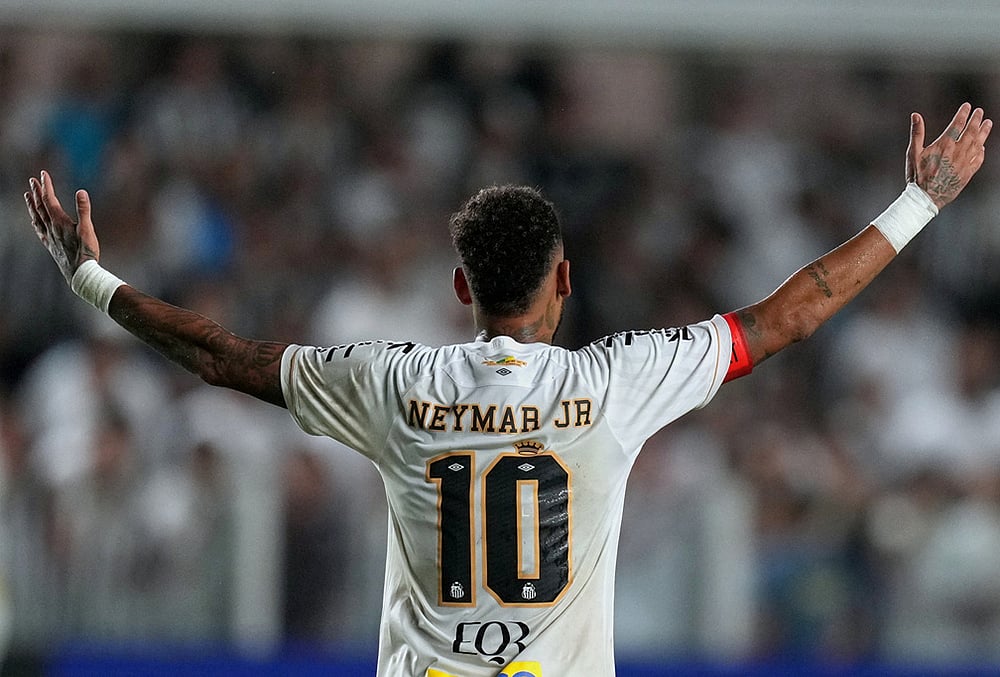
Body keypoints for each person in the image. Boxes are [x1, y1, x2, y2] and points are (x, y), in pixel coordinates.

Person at [25, 102, 991, 676]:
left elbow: (220, 356)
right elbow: (794, 312)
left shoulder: (392, 384)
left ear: (462, 288)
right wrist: (922, 200)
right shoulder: (616, 384)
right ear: (564, 280)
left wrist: (91, 279)